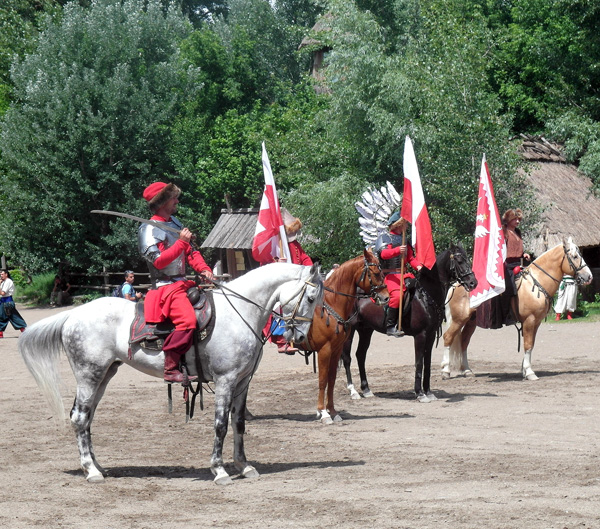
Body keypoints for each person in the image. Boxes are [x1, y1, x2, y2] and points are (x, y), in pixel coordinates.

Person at [138, 181, 215, 383]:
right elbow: (159, 261)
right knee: (187, 321)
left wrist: (204, 269)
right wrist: (181, 242)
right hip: (165, 288)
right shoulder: (148, 229)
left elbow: (191, 253)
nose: (177, 201)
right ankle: (170, 368)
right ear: (162, 201)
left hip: (182, 283)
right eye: (173, 198)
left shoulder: (176, 224)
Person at [258, 208, 313, 354]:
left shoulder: (295, 244)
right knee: (279, 307)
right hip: (279, 285)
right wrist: (277, 264)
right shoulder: (272, 245)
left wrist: (311, 270)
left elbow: (304, 258)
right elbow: (264, 266)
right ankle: (282, 340)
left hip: (298, 281)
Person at [375, 211, 423, 337]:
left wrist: (418, 266)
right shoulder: (385, 237)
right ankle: (390, 326)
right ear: (398, 225)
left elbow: (410, 258)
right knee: (397, 296)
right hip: (390, 275)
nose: (406, 227)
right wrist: (397, 250)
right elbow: (383, 254)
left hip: (405, 274)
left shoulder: (404, 240)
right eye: (404, 224)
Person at [0, 269, 27, 337]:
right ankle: (0, 333)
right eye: (0, 274)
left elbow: (3, 293)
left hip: (7, 302)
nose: (1, 276)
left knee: (14, 317)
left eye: (2, 274)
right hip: (3, 302)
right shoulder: (4, 281)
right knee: (2, 317)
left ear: (6, 274)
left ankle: (24, 331)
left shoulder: (8, 281)